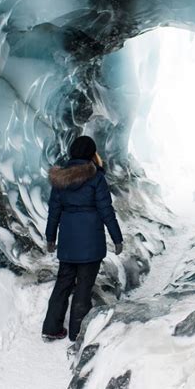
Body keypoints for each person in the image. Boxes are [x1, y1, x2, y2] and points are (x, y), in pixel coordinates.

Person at [42, 135, 123, 342]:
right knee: (84, 287)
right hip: (91, 242)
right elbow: (106, 211)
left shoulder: (60, 180)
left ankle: (51, 328)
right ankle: (77, 333)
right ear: (91, 154)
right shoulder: (96, 178)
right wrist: (117, 238)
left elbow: (54, 212)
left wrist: (51, 237)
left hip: (68, 243)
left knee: (63, 284)